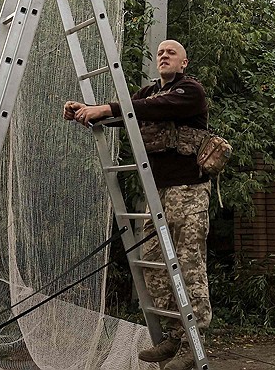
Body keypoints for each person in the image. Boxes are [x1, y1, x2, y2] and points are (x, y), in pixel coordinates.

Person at [64, 39, 211, 370]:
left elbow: (149, 108)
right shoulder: (148, 93)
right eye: (160, 53)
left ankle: (194, 343)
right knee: (155, 264)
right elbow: (126, 112)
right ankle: (174, 334)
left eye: (171, 52)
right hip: (157, 193)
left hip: (188, 190)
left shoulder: (190, 91)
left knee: (189, 264)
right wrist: (86, 111)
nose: (163, 56)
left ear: (184, 63)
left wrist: (105, 109)